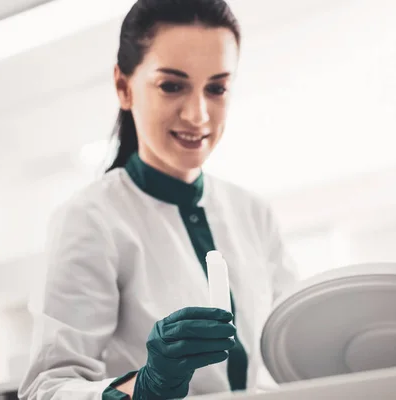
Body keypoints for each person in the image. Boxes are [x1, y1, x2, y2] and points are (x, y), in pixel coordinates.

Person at [18, 0, 298, 398]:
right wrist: (145, 386)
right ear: (123, 87)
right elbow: (46, 389)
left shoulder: (253, 213)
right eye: (172, 85)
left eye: (216, 88)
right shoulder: (90, 219)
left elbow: (295, 343)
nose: (198, 115)